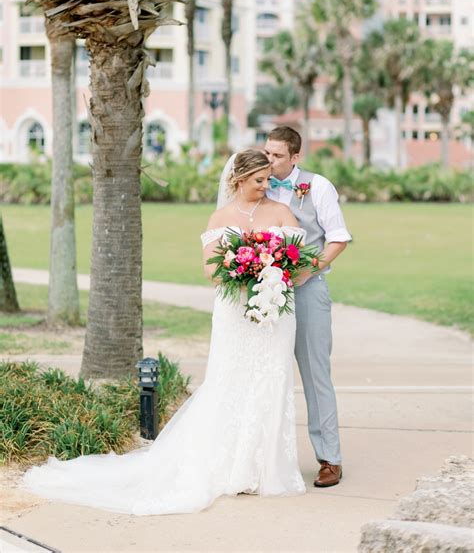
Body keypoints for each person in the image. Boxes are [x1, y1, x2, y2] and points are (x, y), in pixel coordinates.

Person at [22, 149, 307, 515]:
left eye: (268, 179)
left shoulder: (281, 212)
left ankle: (266, 468)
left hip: (275, 312)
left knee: (272, 378)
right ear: (238, 180)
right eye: (259, 180)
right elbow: (210, 269)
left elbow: (296, 257)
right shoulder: (221, 217)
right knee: (232, 379)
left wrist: (272, 272)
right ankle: (227, 465)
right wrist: (245, 269)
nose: (266, 186)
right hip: (235, 311)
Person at [264, 126, 351, 487]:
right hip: (264, 294)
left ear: (296, 157)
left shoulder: (318, 186)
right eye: (266, 152)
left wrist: (309, 269)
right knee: (264, 373)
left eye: (277, 156)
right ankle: (264, 458)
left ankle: (330, 457)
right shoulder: (255, 183)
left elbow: (338, 238)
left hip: (308, 290)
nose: (269, 161)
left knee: (316, 375)